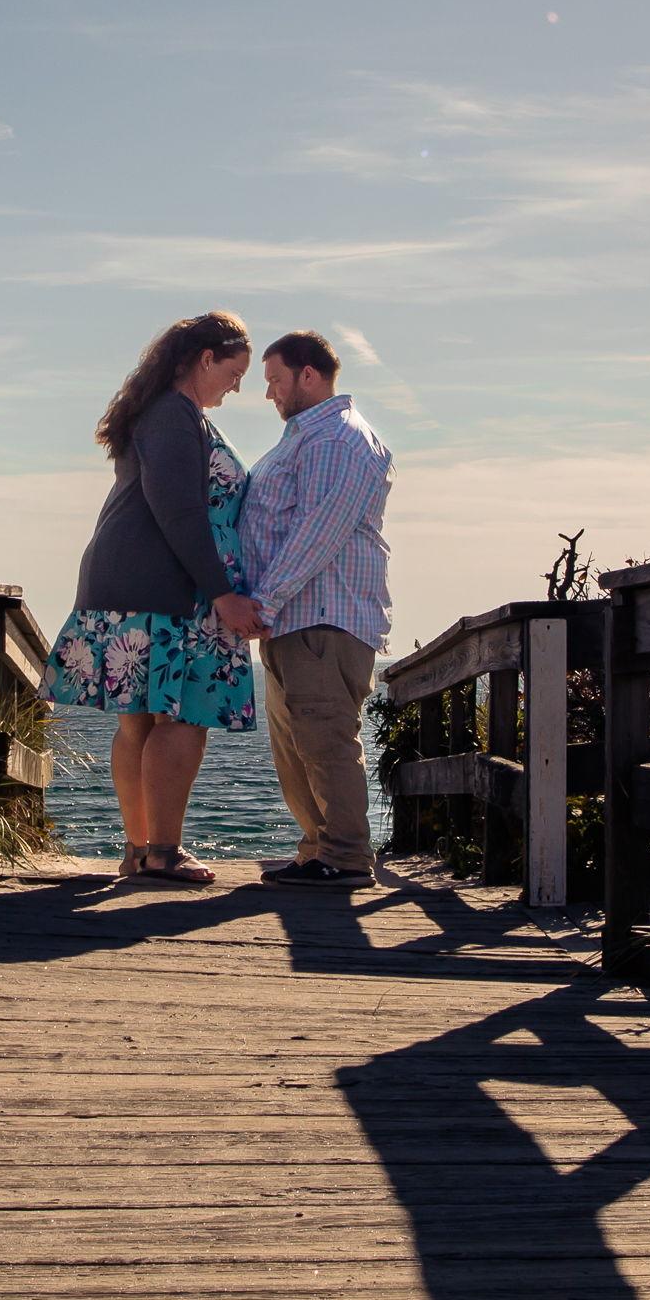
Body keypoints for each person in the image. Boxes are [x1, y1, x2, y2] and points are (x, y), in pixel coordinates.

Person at [43, 310, 267, 886]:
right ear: (205, 359)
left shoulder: (164, 413)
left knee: (139, 721)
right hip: (170, 591)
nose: (238, 385)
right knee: (185, 715)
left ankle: (141, 850)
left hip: (133, 583)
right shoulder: (173, 415)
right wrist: (223, 594)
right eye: (235, 371)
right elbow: (180, 512)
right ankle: (162, 851)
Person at [238, 329, 392, 886]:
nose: (269, 393)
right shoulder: (310, 437)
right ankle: (319, 850)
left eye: (276, 379)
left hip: (321, 618)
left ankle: (347, 857)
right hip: (295, 619)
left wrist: (263, 601)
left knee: (324, 740)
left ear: (309, 375)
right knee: (297, 744)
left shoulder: (336, 439)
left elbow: (317, 532)